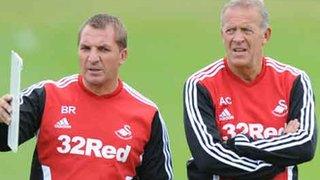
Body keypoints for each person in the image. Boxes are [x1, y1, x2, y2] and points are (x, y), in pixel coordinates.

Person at [0, 13, 173, 180]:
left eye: (103, 49)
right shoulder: (47, 95)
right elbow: (4, 139)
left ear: (122, 55)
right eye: (85, 48)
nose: (92, 58)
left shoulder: (147, 115)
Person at [183, 0, 317, 179]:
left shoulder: (294, 80)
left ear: (266, 35)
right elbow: (208, 157)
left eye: (247, 30)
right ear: (222, 35)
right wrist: (278, 156)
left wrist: (239, 144)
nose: (237, 39)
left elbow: (305, 145)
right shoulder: (200, 85)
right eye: (231, 30)